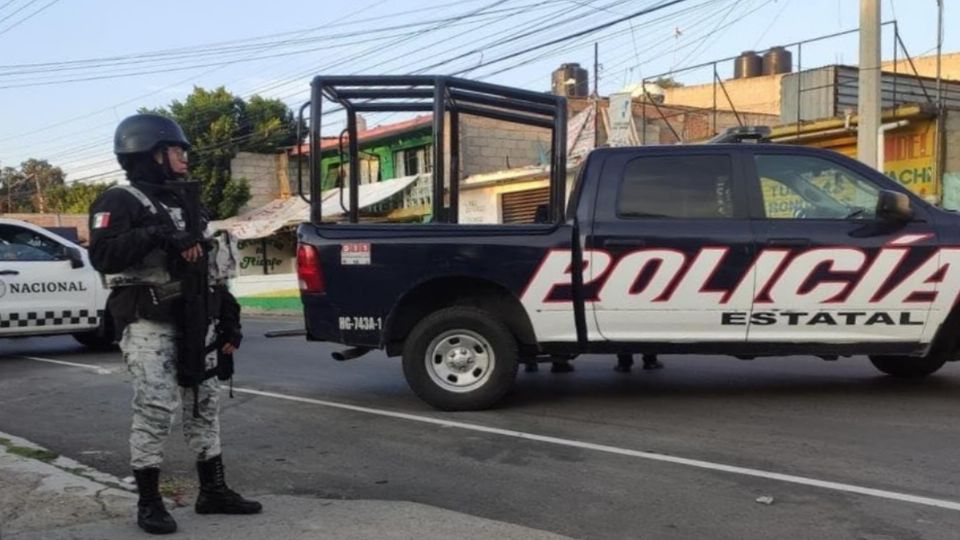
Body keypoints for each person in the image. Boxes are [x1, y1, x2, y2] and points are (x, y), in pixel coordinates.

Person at [89, 114, 260, 535]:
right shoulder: (120, 199)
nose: (184, 157)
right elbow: (103, 255)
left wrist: (228, 315)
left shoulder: (188, 200)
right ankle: (149, 502)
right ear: (152, 153)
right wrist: (157, 235)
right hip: (149, 319)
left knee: (205, 402)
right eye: (177, 149)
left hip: (198, 315)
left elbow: (206, 266)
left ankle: (213, 490)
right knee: (155, 407)